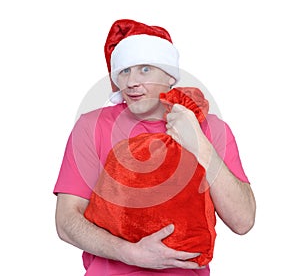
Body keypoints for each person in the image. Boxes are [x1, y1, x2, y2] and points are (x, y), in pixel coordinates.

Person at [54, 19, 256, 276]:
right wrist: (130, 253)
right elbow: (66, 221)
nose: (131, 82)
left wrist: (200, 145)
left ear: (170, 74)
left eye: (145, 69)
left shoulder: (211, 129)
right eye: (124, 71)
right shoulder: (92, 127)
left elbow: (243, 221)